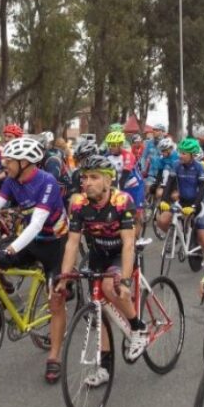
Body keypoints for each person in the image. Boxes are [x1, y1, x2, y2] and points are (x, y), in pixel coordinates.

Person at [0, 137, 67, 383]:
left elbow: (39, 222)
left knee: (56, 301)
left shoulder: (47, 181)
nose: (3, 164)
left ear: (25, 162)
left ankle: (54, 357)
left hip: (55, 243)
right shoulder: (11, 180)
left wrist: (11, 249)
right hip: (30, 239)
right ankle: (14, 301)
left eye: (8, 160)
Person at [57, 155, 148, 386]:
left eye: (94, 177)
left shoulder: (121, 201)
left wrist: (126, 281)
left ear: (108, 181)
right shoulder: (78, 203)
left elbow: (129, 244)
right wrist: (65, 277)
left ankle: (138, 328)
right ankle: (104, 368)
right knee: (100, 312)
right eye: (85, 177)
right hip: (98, 255)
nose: (87, 182)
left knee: (110, 286)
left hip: (121, 253)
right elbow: (72, 243)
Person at [104, 131, 145, 237]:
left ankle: (137, 241)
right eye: (109, 144)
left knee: (135, 214)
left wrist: (117, 192)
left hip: (134, 186)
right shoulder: (107, 156)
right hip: (119, 184)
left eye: (114, 145)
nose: (111, 147)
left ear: (120, 144)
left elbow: (124, 176)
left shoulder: (128, 155)